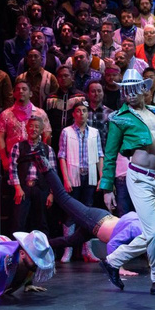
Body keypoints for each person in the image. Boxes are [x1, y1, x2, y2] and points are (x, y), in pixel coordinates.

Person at [98, 69, 155, 296]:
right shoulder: (119, 118)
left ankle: (112, 262)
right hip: (140, 177)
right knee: (153, 234)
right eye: (126, 90)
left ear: (143, 89)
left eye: (133, 90)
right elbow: (110, 155)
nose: (129, 94)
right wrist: (107, 188)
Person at [57, 101, 103, 263]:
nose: (82, 113)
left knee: (88, 214)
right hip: (73, 176)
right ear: (73, 114)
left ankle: (87, 250)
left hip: (89, 176)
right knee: (70, 213)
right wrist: (66, 178)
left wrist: (101, 177)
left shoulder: (94, 132)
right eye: (78, 111)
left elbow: (99, 155)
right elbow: (62, 156)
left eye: (84, 110)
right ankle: (67, 250)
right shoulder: (66, 132)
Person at [9, 115, 56, 235]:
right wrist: (18, 188)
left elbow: (53, 173)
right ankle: (18, 252)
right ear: (26, 129)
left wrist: (51, 193)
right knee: (18, 223)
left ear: (41, 130)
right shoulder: (18, 147)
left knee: (42, 223)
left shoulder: (48, 149)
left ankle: (42, 252)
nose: (33, 129)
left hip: (41, 189)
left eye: (37, 127)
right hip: (23, 189)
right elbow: (12, 168)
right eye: (31, 126)